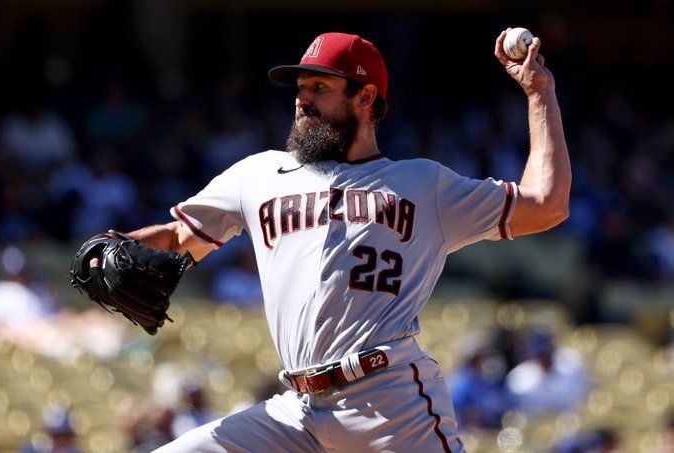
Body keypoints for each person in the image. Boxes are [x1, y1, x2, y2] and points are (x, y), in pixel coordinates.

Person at [123, 30, 570, 451]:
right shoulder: (257, 174)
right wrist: (111, 247)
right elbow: (177, 237)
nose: (301, 100)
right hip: (294, 409)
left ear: (366, 96)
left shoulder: (424, 184)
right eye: (300, 87)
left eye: (320, 87)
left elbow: (547, 204)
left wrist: (539, 93)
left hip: (389, 403)